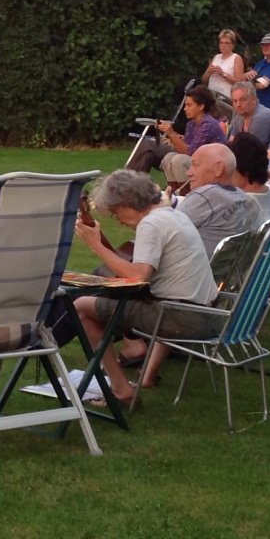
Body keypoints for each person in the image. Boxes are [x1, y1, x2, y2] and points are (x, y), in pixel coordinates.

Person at [73, 170, 218, 403]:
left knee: (81, 307)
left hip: (184, 319)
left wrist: (95, 245)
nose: (119, 221)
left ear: (127, 202)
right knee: (152, 299)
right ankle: (146, 376)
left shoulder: (151, 223)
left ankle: (121, 389)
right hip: (210, 314)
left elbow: (138, 275)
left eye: (116, 213)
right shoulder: (174, 214)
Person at [127, 85, 225, 184]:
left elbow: (190, 153)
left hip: (209, 165)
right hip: (194, 160)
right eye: (185, 105)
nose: (185, 109)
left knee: (149, 145)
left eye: (189, 105)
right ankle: (133, 184)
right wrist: (173, 139)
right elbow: (185, 147)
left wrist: (171, 134)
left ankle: (127, 181)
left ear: (201, 106)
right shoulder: (191, 124)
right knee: (149, 155)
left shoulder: (208, 124)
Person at [174, 143, 259, 257]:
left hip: (195, 265)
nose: (188, 173)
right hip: (227, 265)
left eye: (195, 165)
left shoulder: (206, 195)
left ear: (218, 168)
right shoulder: (242, 197)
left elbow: (164, 228)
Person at [228, 131, 270, 225]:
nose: (228, 175)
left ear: (245, 172)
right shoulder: (266, 193)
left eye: (231, 170)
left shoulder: (245, 205)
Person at [227, 82, 270, 155]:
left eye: (243, 100)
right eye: (235, 101)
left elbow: (252, 153)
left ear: (254, 99)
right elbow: (231, 143)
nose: (238, 105)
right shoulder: (240, 116)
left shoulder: (260, 119)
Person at [202, 29, 245, 102]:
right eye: (221, 43)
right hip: (211, 96)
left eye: (227, 43)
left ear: (233, 45)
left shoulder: (236, 58)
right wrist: (209, 72)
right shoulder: (216, 57)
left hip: (226, 97)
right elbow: (203, 80)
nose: (223, 45)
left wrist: (223, 74)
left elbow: (239, 83)